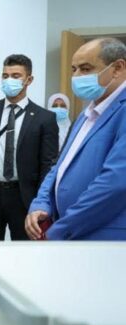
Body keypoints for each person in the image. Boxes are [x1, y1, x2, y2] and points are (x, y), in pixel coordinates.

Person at [26, 37, 126, 241]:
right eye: (74, 69)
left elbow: (114, 184)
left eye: (86, 69)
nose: (77, 77)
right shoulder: (86, 114)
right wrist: (41, 204)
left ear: (117, 68)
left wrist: (61, 229)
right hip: (71, 232)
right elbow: (60, 166)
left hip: (103, 236)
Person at [0, 54, 58, 241]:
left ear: (29, 79)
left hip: (23, 195)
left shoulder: (45, 118)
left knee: (23, 249)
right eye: (5, 76)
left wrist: (41, 201)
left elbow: (48, 164)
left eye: (16, 76)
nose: (9, 80)